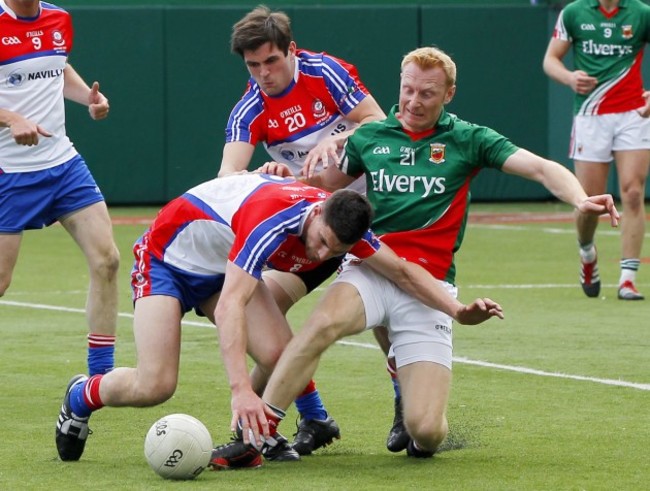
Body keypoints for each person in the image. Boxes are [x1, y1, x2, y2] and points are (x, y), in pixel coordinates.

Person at [210, 46, 620, 465]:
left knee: (425, 430)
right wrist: (279, 178)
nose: (413, 101)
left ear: (449, 95)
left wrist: (579, 198)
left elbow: (540, 167)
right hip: (373, 268)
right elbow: (321, 187)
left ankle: (418, 423)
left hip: (430, 286)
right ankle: (259, 439)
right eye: (408, 90)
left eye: (427, 93)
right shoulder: (371, 136)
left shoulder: (469, 139)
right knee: (320, 324)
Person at [54, 172, 504, 464]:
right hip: (166, 259)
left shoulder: (343, 225)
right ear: (316, 213)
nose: (321, 255)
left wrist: (457, 311)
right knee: (156, 385)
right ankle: (81, 397)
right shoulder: (270, 221)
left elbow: (403, 271)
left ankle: (256, 440)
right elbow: (230, 306)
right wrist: (240, 391)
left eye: (334, 251)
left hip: (217, 266)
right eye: (322, 241)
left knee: (280, 353)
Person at [220, 4, 388, 455]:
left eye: (271, 61)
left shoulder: (324, 73)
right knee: (263, 314)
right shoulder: (249, 107)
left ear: (290, 50)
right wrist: (263, 174)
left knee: (386, 317)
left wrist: (337, 138)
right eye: (253, 65)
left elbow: (378, 122)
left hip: (362, 217)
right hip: (310, 231)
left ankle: (403, 411)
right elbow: (227, 181)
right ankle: (298, 419)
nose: (263, 73)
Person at [0, 0, 120, 457]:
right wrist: (10, 118)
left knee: (107, 259)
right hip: (10, 170)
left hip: (63, 163)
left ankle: (98, 376)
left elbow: (57, 67)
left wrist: (88, 98)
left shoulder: (59, 18)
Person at [543, 0, 650, 300]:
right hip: (591, 116)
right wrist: (569, 77)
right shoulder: (574, 12)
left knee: (632, 192)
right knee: (589, 202)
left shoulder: (641, 13)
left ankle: (627, 279)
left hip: (633, 114)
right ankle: (587, 252)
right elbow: (550, 60)